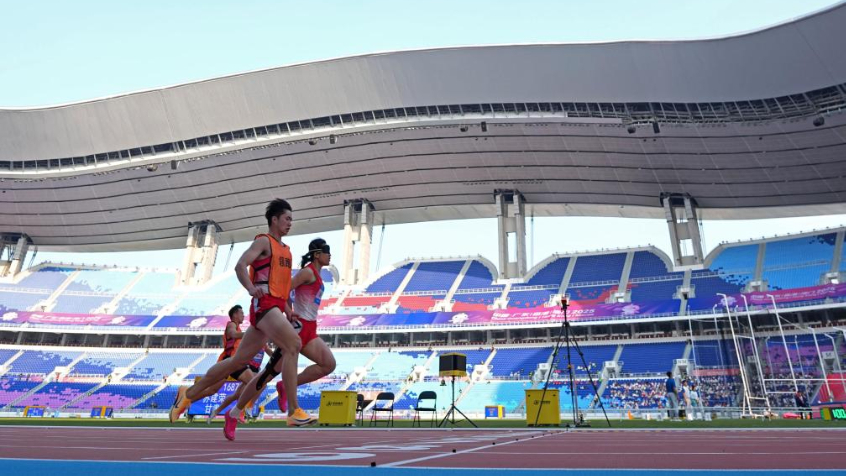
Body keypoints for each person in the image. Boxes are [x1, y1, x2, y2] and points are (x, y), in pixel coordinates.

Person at [170, 199, 314, 434]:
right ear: (274, 220)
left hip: (275, 308)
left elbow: (281, 286)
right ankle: (293, 411)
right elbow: (240, 265)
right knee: (293, 345)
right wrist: (250, 288)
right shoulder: (263, 242)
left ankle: (188, 394)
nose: (290, 223)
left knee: (237, 361)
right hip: (264, 306)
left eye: (291, 219)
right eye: (287, 218)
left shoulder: (286, 251)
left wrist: (289, 311)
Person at [223, 239, 337, 440]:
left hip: (310, 330)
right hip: (297, 329)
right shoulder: (307, 272)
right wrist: (289, 312)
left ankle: (285, 385)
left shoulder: (317, 275)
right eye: (327, 252)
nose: (330, 256)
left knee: (328, 364)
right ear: (317, 254)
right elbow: (283, 291)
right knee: (266, 375)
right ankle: (234, 413)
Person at [168, 305, 267, 422]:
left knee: (211, 390)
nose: (243, 315)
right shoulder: (232, 324)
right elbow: (233, 334)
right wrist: (249, 335)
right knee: (256, 382)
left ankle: (184, 401)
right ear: (235, 314)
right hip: (230, 361)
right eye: (241, 313)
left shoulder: (239, 329)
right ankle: (243, 409)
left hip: (232, 362)